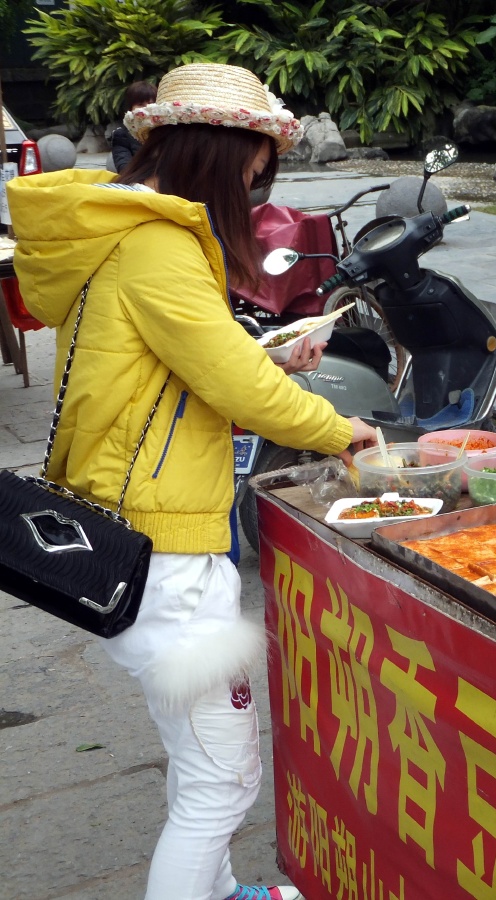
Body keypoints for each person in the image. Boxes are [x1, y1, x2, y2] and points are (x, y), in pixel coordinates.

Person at [8, 63, 377, 900]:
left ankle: (216, 891)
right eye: (255, 169)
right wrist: (338, 428)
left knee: (198, 759)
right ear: (222, 153)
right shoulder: (161, 245)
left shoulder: (128, 232)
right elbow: (233, 387)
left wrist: (274, 350)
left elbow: (184, 362)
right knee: (221, 779)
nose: (255, 187)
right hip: (165, 555)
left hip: (140, 527)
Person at [110, 79, 157, 173]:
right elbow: (124, 167)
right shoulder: (122, 135)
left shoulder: (166, 130)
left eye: (151, 104)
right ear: (130, 108)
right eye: (140, 104)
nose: (146, 108)